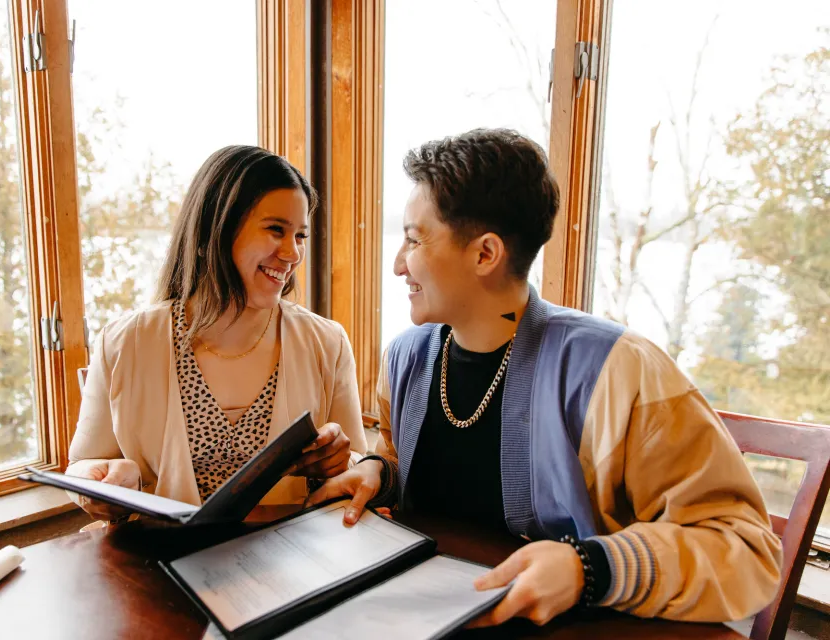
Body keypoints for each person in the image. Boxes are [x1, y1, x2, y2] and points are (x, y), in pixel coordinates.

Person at [307, 128, 782, 626]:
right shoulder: (405, 357)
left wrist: (590, 567)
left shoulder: (620, 370)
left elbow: (747, 550)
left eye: (413, 239)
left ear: (485, 254)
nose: (399, 264)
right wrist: (379, 476)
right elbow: (415, 469)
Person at [67, 145, 368, 523]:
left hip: (291, 563)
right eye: (276, 230)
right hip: (160, 560)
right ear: (217, 227)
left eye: (301, 235)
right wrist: (102, 485)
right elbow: (80, 467)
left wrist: (343, 458)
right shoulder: (126, 342)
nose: (292, 253)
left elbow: (360, 468)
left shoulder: (327, 342)